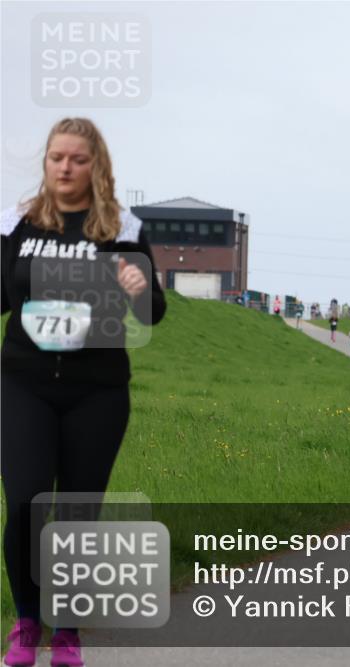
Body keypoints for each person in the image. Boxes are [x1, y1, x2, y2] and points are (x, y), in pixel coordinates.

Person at [1, 118, 167, 667]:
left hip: (96, 391)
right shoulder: (18, 223)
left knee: (75, 513)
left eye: (77, 159)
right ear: (45, 163)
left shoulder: (121, 227)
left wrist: (140, 288)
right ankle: (27, 623)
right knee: (25, 503)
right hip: (22, 384)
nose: (65, 168)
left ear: (96, 165)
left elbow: (154, 312)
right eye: (56, 158)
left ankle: (67, 632)